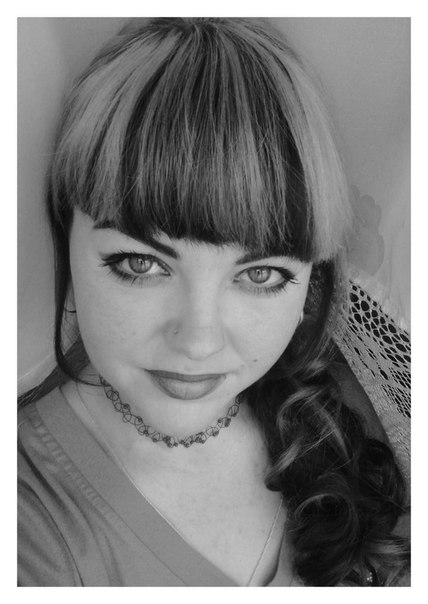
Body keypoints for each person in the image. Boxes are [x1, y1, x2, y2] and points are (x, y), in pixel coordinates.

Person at [18, 17, 409, 587]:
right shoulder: (29, 519)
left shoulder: (348, 407)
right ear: (66, 247)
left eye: (260, 274)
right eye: (140, 264)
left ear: (309, 283)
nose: (199, 343)